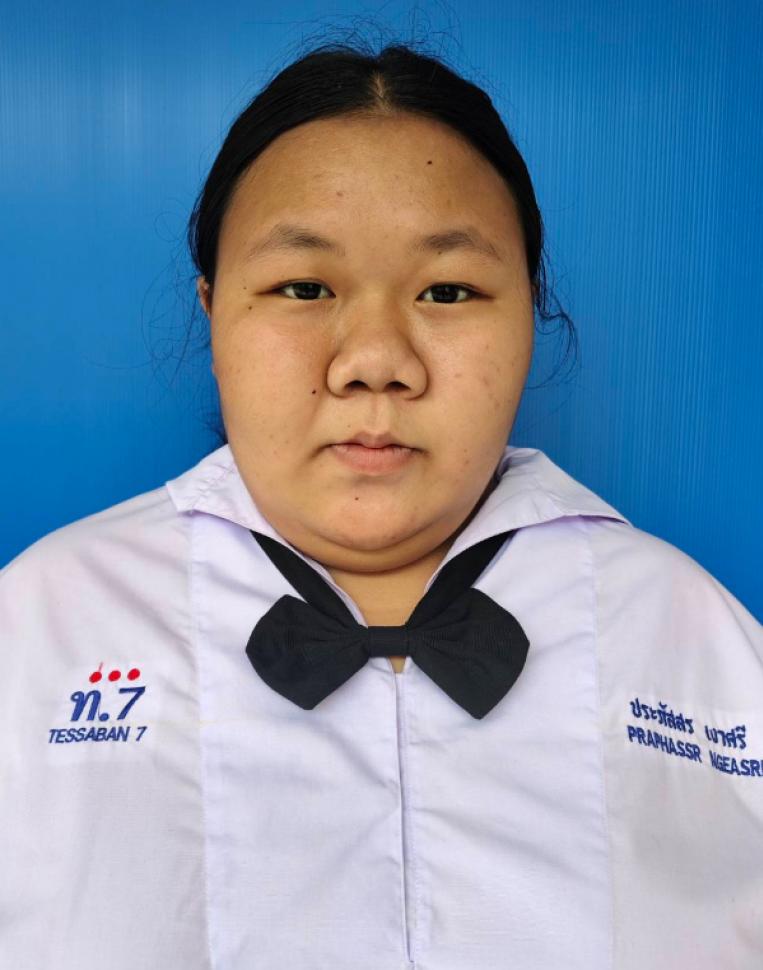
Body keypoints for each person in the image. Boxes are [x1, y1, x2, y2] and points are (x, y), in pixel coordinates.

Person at [1, 39, 761, 970]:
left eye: (448, 290)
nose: (374, 361)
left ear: (528, 313)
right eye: (302, 287)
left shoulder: (695, 640)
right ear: (212, 310)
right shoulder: (38, 626)